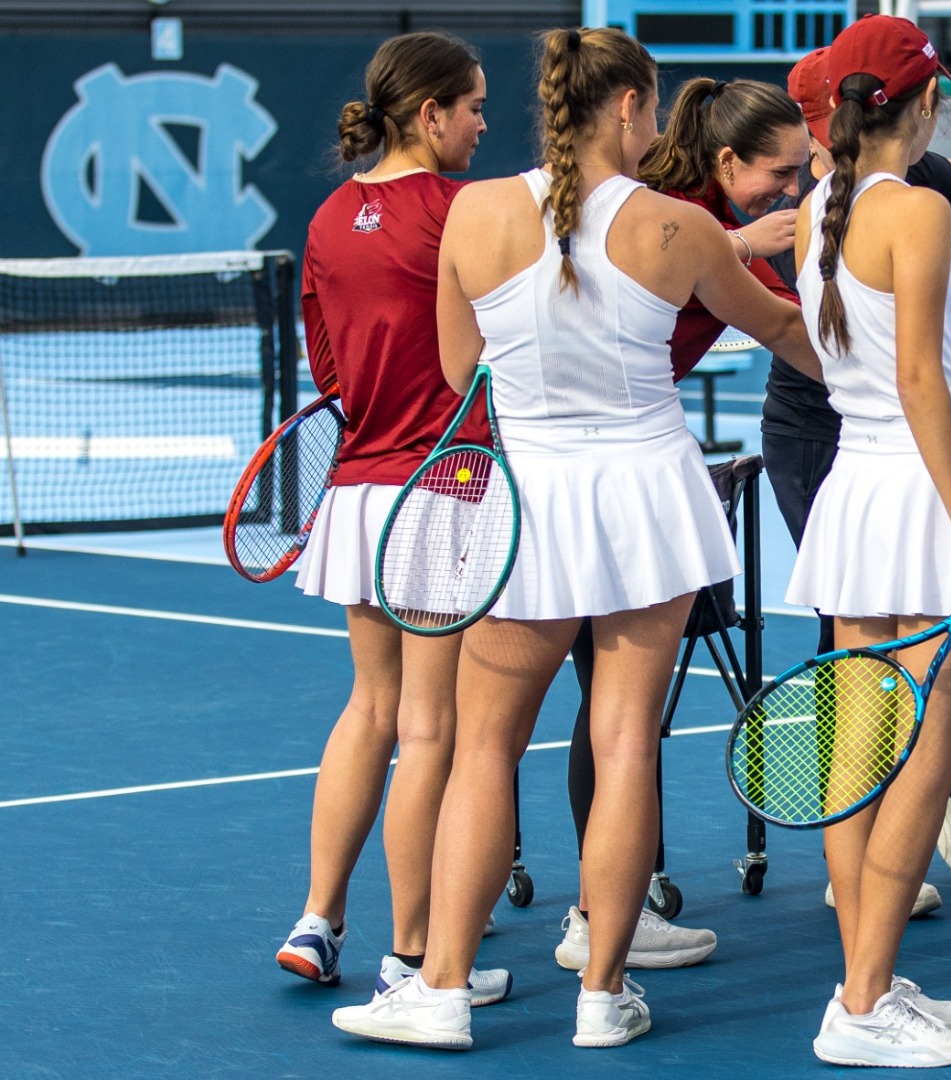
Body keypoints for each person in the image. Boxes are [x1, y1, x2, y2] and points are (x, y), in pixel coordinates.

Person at [331, 26, 817, 1050]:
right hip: (649, 502)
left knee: (482, 750)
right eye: (652, 108)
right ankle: (603, 993)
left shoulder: (474, 211)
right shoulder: (682, 228)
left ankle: (441, 989)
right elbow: (784, 331)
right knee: (626, 741)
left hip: (528, 508)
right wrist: (919, 386)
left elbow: (460, 371)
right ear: (630, 106)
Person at [788, 15, 951, 1066]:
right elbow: (921, 377)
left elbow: (896, 365)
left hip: (858, 491)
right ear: (926, 105)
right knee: (926, 761)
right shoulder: (919, 210)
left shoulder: (818, 209)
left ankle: (870, 979)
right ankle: (859, 1005)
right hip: (929, 499)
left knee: (858, 759)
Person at [554, 75, 813, 977]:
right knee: (613, 719)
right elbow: (791, 330)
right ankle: (596, 924)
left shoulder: (688, 215)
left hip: (557, 475)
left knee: (549, 722)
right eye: (780, 173)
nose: (793, 191)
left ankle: (452, 959)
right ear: (727, 160)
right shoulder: (673, 218)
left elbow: (791, 320)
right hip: (607, 476)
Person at [278, 30, 508, 1007]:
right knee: (430, 729)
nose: (484, 124)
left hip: (358, 494)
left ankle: (317, 919)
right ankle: (414, 958)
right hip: (443, 494)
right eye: (474, 107)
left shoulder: (330, 218)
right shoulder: (463, 212)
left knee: (370, 709)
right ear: (429, 113)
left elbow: (331, 372)